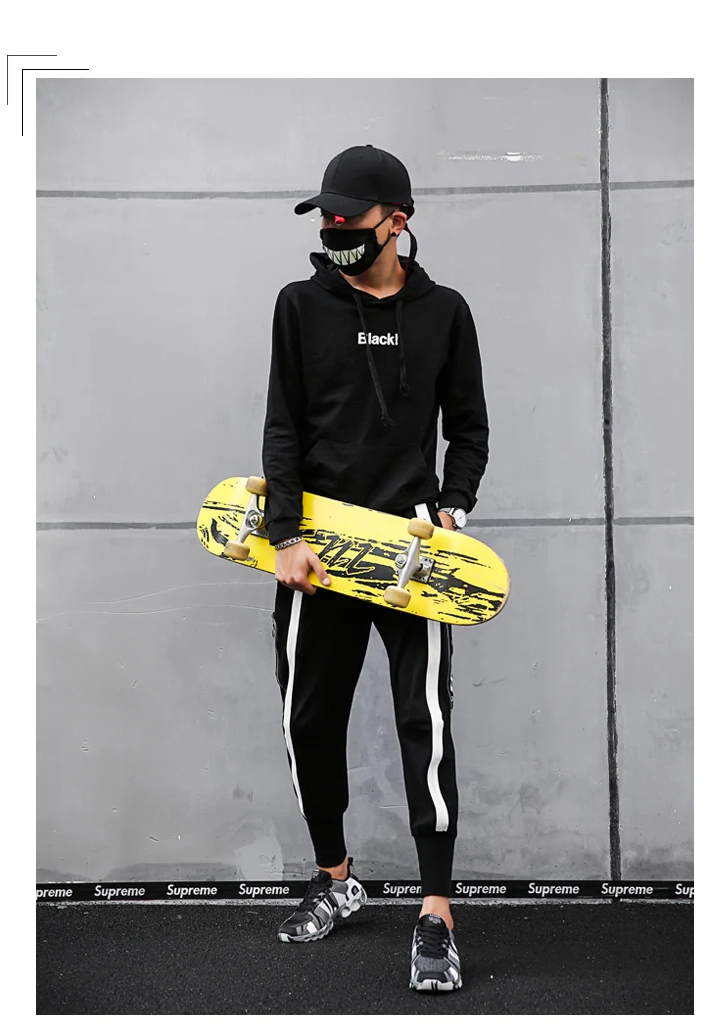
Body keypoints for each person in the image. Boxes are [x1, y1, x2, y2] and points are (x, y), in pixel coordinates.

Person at [261, 144, 489, 992]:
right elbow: (283, 426)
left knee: (424, 728)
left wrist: (453, 506)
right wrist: (285, 534)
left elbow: (469, 428)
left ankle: (436, 913)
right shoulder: (300, 305)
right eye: (325, 217)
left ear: (397, 221)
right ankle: (336, 877)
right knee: (308, 723)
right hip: (316, 554)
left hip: (411, 561)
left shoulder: (445, 312)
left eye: (347, 218)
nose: (333, 230)